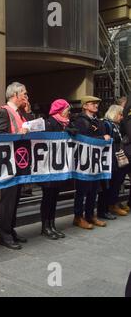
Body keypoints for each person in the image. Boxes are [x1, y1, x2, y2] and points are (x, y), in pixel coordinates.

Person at [0, 82, 30, 250]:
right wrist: (16, 134)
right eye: (25, 94)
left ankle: (10, 229)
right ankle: (4, 233)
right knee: (8, 198)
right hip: (8, 162)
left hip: (18, 161)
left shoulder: (19, 113)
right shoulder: (3, 112)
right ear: (15, 95)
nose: (27, 97)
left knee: (15, 198)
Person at [72, 96, 111, 230]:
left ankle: (90, 215)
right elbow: (82, 138)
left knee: (94, 189)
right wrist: (102, 138)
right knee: (82, 190)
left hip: (96, 160)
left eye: (96, 103)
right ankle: (78, 217)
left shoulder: (98, 121)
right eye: (93, 103)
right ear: (85, 106)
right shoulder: (80, 121)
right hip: (83, 161)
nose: (96, 105)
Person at [39, 99, 73, 240]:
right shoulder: (49, 123)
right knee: (47, 197)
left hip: (59, 167)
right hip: (48, 167)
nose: (69, 113)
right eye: (67, 110)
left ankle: (52, 224)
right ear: (60, 110)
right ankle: (45, 226)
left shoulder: (65, 124)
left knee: (54, 196)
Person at [97, 105, 129, 219]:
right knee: (107, 186)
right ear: (114, 113)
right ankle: (105, 209)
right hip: (109, 160)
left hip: (117, 159)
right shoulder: (106, 124)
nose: (121, 117)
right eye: (120, 114)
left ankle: (111, 205)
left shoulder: (116, 125)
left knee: (116, 183)